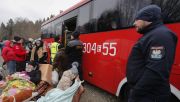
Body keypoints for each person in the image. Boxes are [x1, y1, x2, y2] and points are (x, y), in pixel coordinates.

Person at [126, 5, 178, 102]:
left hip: (148, 96)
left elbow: (155, 72)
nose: (134, 23)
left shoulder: (161, 36)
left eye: (137, 19)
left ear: (148, 18)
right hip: (146, 94)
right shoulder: (153, 34)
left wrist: (136, 93)